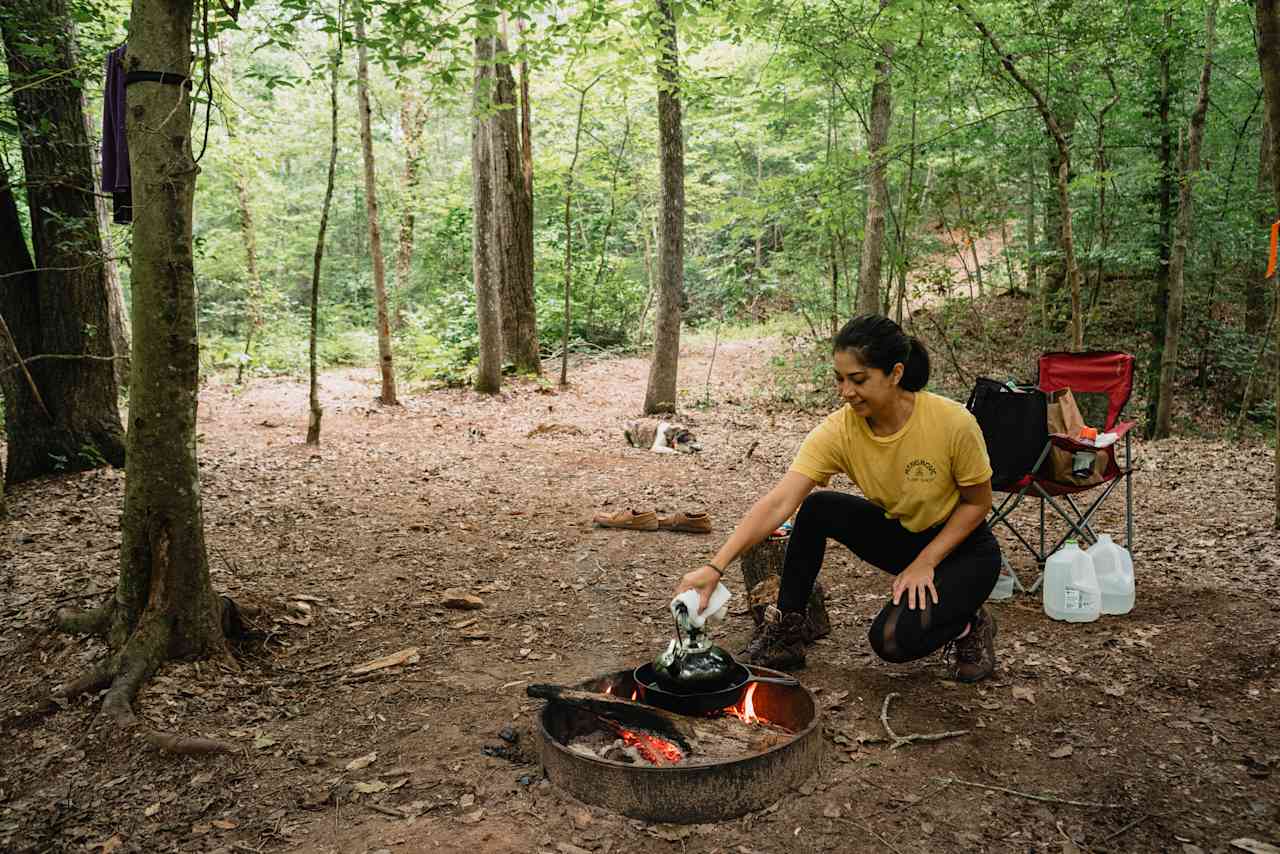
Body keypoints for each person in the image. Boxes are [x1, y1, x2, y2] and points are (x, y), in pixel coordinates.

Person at [672, 314, 1003, 682]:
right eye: (840, 379)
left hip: (964, 548)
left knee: (890, 642)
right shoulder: (839, 430)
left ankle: (969, 623)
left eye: (858, 380)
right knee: (817, 507)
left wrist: (927, 561)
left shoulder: (952, 422)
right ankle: (786, 635)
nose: (846, 391)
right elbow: (780, 501)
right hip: (904, 536)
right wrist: (715, 566)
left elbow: (977, 503)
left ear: (895, 374)